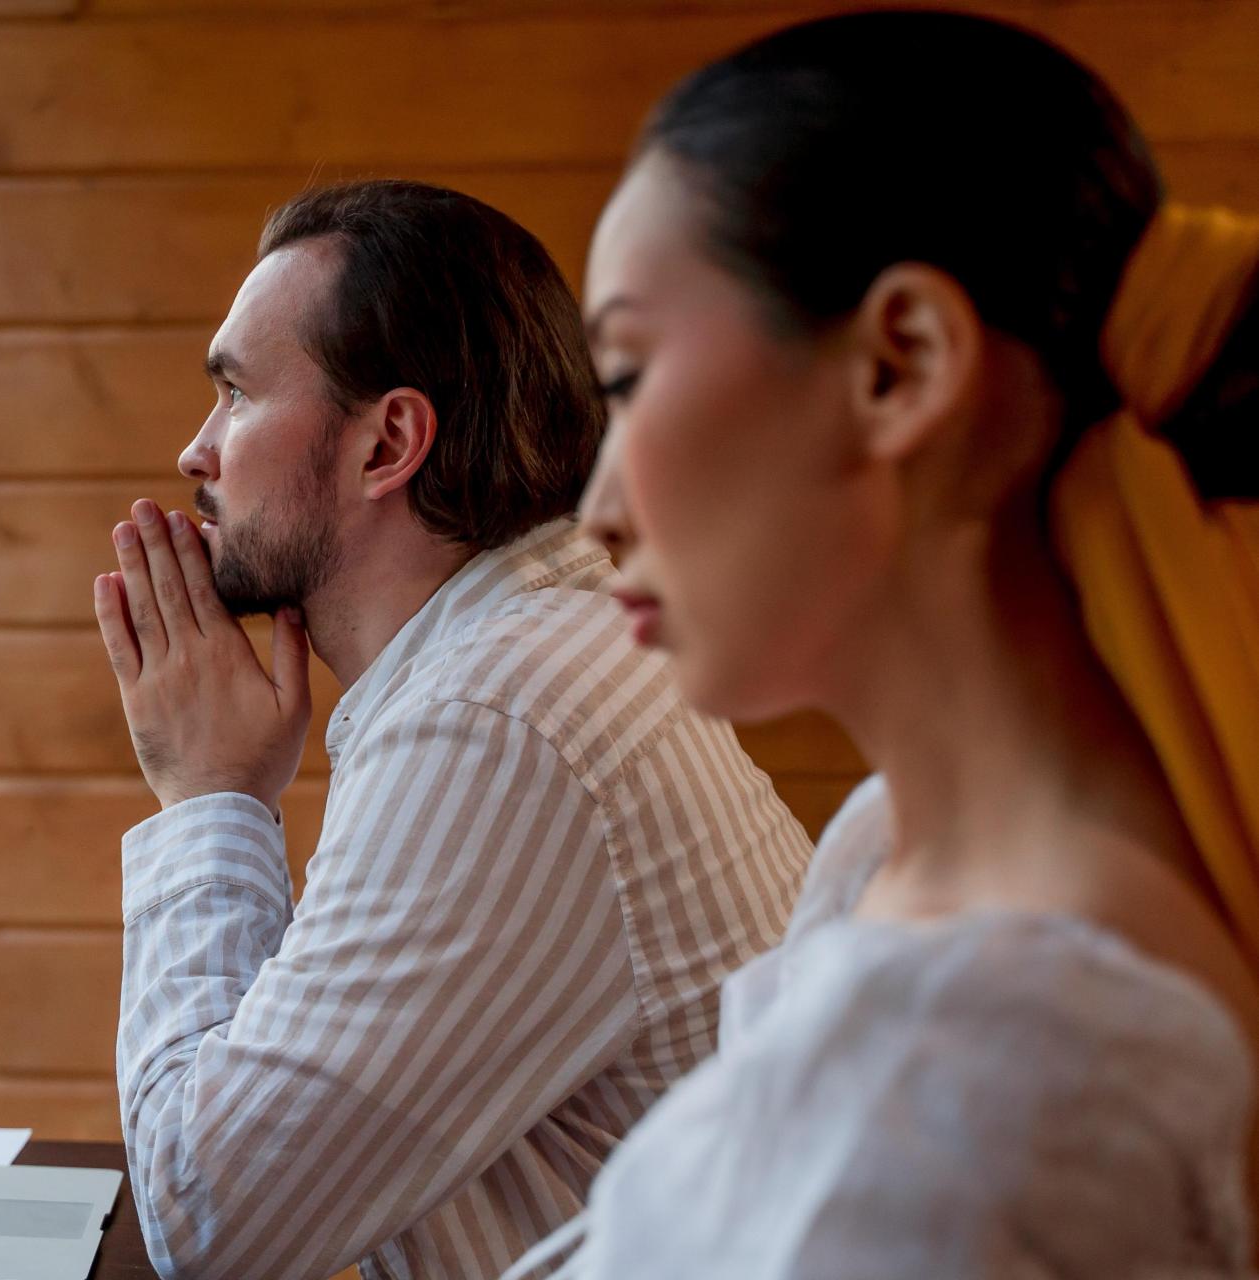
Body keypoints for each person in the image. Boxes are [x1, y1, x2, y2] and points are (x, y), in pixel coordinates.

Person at [506, 11, 1259, 1277]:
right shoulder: (878, 853)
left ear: (899, 365)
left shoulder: (1000, 1064)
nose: (596, 510)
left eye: (627, 379)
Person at [90, 179, 812, 1280]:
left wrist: (210, 802)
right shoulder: (532, 654)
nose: (198, 450)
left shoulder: (498, 717)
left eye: (235, 394)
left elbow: (210, 1221)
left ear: (388, 444)